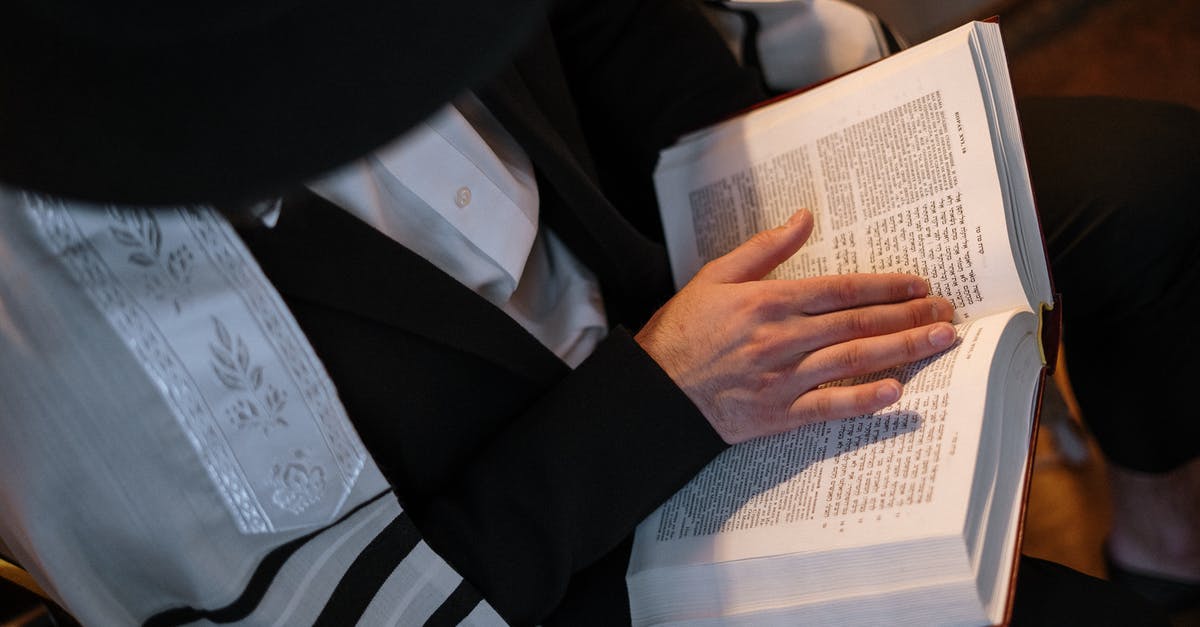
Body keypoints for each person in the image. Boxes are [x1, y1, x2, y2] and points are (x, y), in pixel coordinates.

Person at [0, 1, 1194, 626]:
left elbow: (593, 21)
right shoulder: (59, 278)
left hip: (665, 268)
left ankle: (1161, 543)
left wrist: (790, 176)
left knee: (1160, 189)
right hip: (548, 552)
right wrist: (663, 395)